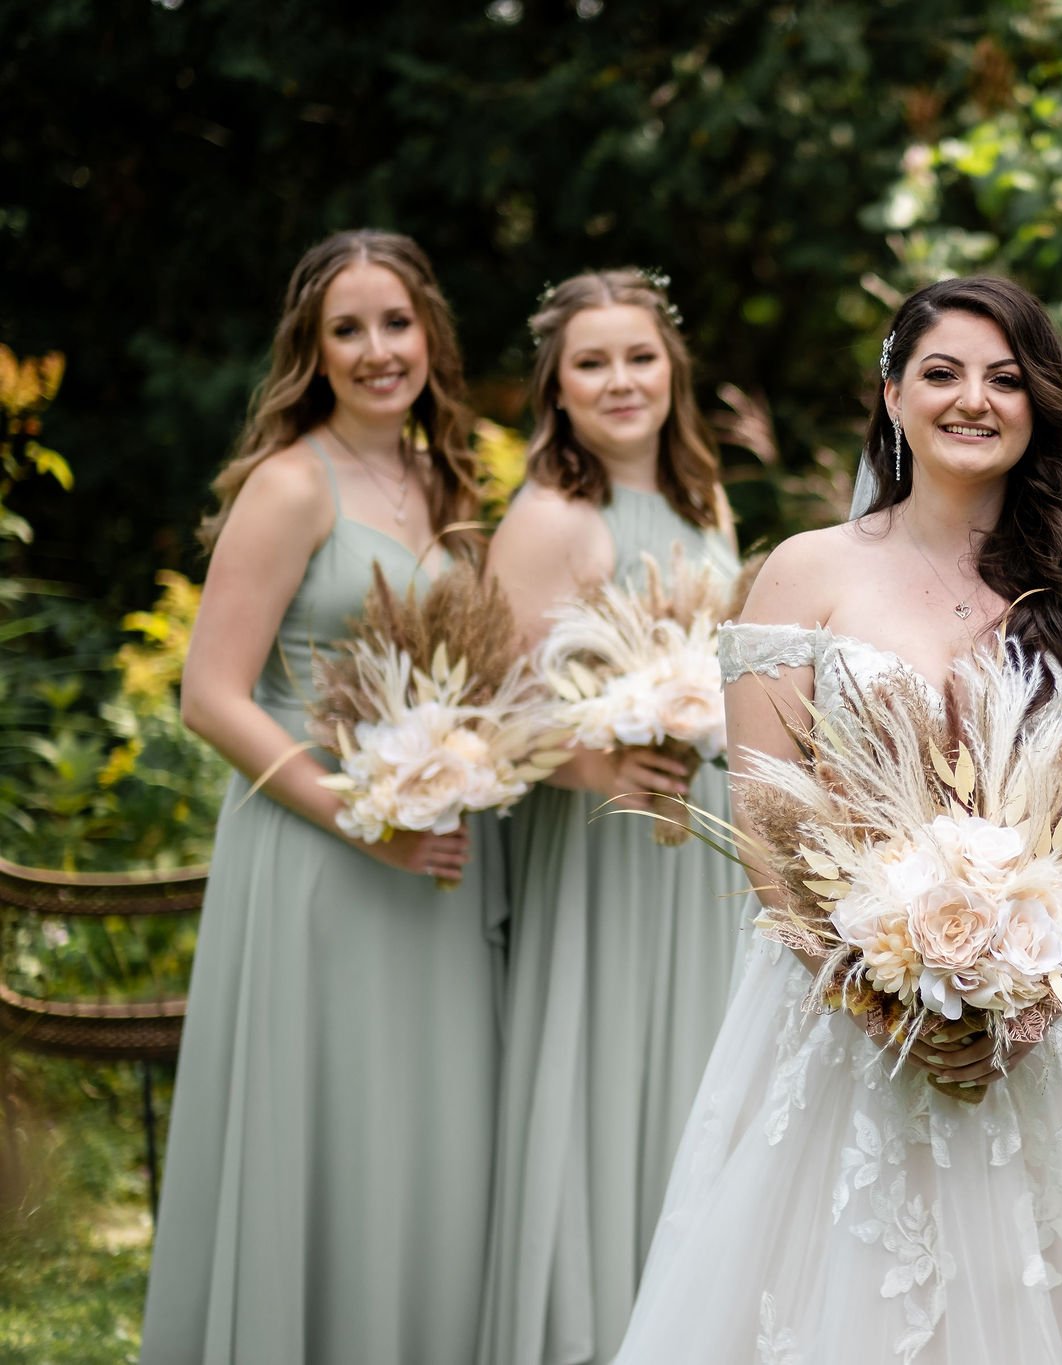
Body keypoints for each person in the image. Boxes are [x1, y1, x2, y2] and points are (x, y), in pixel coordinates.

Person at [610, 276, 1062, 1364]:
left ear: (1039, 401)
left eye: (1006, 378)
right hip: (843, 1015)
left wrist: (1034, 998)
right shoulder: (804, 573)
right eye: (943, 373)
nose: (975, 400)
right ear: (892, 393)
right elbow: (767, 821)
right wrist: (878, 1000)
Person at [142, 229, 498, 1363]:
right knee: (329, 1121)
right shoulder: (291, 485)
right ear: (313, 350)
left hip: (430, 859)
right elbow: (210, 694)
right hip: (318, 851)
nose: (377, 349)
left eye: (394, 323)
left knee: (422, 1133)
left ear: (428, 335)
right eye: (347, 330)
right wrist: (361, 814)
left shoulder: (445, 481)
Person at [476, 269, 752, 1365]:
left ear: (671, 366)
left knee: (702, 1080)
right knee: (613, 1082)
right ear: (556, 387)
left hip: (707, 843)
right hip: (606, 849)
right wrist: (604, 766)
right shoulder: (549, 518)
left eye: (638, 356)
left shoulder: (702, 501)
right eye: (591, 363)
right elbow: (492, 722)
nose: (620, 380)